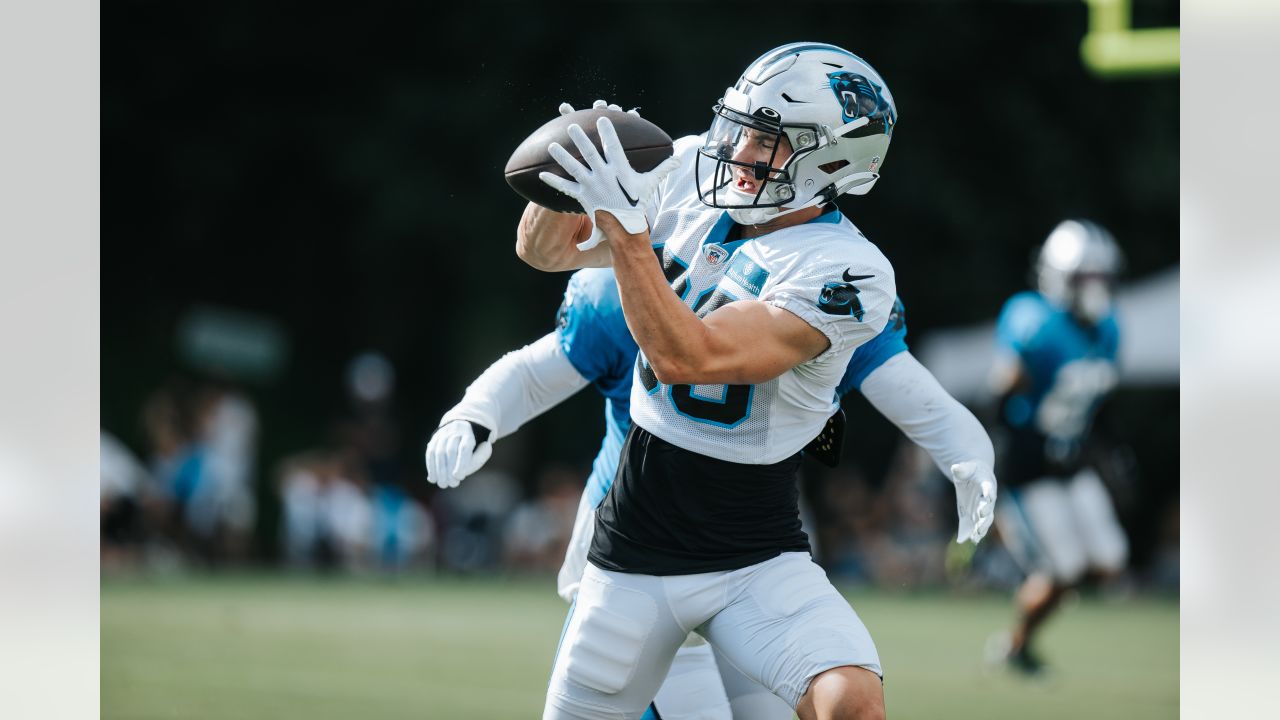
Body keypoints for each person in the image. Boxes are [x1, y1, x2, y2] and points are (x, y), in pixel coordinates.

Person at [508, 42, 995, 720]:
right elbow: (543, 250)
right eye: (738, 128)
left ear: (832, 160)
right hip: (635, 551)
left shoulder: (847, 269)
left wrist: (627, 233)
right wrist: (577, 176)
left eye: (765, 141)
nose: (735, 152)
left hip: (755, 552)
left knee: (852, 703)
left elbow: (692, 356)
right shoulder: (685, 173)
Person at [427, 267, 995, 718]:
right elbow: (534, 372)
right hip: (633, 549)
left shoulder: (819, 285)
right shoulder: (633, 284)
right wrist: (475, 415)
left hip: (751, 545)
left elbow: (909, 388)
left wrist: (969, 453)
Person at [986, 219, 1129, 676]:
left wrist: (1112, 456)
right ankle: (1016, 646)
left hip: (1073, 461)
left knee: (1109, 562)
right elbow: (1001, 395)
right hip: (1031, 468)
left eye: (1102, 277)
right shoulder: (1034, 320)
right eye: (1087, 276)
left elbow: (1098, 406)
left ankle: (1032, 617)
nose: (1097, 288)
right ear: (1061, 276)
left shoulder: (1107, 330)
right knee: (1063, 568)